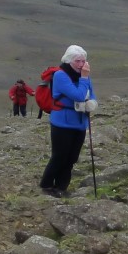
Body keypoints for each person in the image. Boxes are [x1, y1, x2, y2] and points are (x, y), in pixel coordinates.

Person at [39, 44, 97, 198]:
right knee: (59, 156)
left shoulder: (84, 76)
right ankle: (46, 185)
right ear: (69, 60)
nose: (81, 64)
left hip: (79, 123)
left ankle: (61, 187)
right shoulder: (60, 75)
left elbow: (91, 93)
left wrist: (92, 102)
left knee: (71, 158)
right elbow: (78, 95)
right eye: (77, 61)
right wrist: (84, 78)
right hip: (62, 123)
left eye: (83, 61)